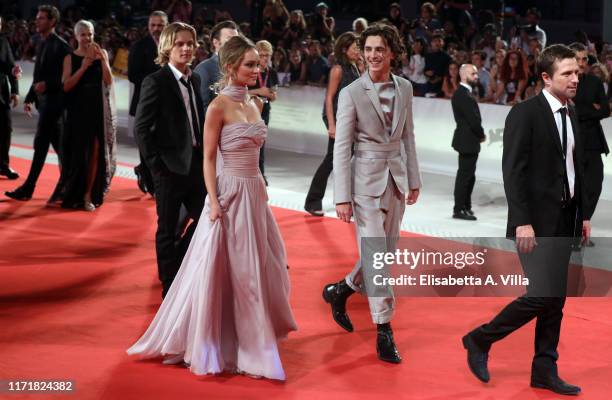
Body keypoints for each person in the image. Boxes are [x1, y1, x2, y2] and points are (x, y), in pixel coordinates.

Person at [128, 35, 297, 381]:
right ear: (231, 66)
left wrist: (261, 186)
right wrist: (214, 201)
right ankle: (232, 344)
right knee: (231, 269)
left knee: (263, 266)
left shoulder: (255, 104)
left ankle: (252, 339)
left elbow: (255, 154)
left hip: (255, 195)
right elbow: (207, 159)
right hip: (229, 194)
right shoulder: (218, 106)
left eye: (257, 63)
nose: (256, 69)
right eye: (249, 64)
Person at [462, 44, 589, 396]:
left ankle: (544, 369)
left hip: (565, 219)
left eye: (577, 71)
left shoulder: (572, 111)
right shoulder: (525, 114)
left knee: (556, 299)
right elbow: (512, 172)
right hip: (534, 223)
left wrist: (583, 214)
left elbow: (574, 169)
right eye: (567, 73)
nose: (575, 78)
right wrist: (522, 221)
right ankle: (479, 338)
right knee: (542, 295)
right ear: (546, 77)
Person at [322, 24, 421, 364]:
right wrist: (341, 196)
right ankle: (384, 330)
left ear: (392, 52)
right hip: (364, 184)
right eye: (368, 49)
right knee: (377, 257)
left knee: (383, 256)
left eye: (380, 49)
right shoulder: (351, 92)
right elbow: (342, 146)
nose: (373, 55)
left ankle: (343, 289)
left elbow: (408, 137)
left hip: (396, 180)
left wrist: (414, 179)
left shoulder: (406, 88)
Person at [134, 22, 206, 298]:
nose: (186, 48)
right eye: (180, 44)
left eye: (190, 43)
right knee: (166, 230)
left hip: (196, 166)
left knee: (207, 223)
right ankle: (169, 286)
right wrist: (156, 165)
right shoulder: (156, 81)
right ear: (167, 47)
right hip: (168, 169)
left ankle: (177, 264)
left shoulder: (195, 79)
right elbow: (142, 128)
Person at [5, 5, 71, 201]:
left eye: (42, 18)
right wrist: (30, 97)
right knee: (60, 148)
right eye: (37, 17)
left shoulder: (62, 46)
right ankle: (69, 184)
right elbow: (38, 75)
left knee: (41, 144)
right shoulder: (41, 42)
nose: (37, 21)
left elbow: (66, 78)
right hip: (45, 104)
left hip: (55, 105)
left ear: (52, 21)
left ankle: (29, 188)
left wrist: (47, 85)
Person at [52, 20, 115, 211]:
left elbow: (109, 81)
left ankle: (88, 195)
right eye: (83, 35)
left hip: (96, 111)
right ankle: (73, 193)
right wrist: (84, 66)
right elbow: (66, 86)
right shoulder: (70, 58)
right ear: (76, 36)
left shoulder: (101, 54)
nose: (87, 38)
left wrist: (102, 60)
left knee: (95, 154)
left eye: (90, 34)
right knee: (78, 155)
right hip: (76, 112)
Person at [304, 32, 360, 216]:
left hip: (349, 119)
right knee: (332, 159)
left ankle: (344, 201)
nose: (358, 50)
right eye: (355, 47)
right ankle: (313, 201)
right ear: (345, 49)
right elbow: (329, 98)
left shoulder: (355, 68)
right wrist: (331, 125)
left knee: (343, 159)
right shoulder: (338, 69)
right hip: (337, 118)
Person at [570, 42, 609, 242]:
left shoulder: (594, 82)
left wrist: (582, 110)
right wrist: (590, 109)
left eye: (585, 59)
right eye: (578, 58)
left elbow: (606, 110)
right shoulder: (565, 82)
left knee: (595, 186)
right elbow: (570, 111)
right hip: (572, 144)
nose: (582, 62)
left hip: (593, 142)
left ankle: (581, 225)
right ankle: (574, 232)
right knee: (574, 189)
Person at [129, 11, 168, 196]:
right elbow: (133, 75)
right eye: (153, 25)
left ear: (166, 26)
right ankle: (150, 181)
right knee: (146, 143)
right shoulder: (139, 46)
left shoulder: (173, 47)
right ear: (148, 26)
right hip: (145, 103)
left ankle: (152, 177)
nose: (156, 29)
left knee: (161, 144)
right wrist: (156, 82)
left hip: (166, 106)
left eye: (160, 25)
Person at [451, 64, 485, 220]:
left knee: (469, 176)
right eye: (473, 73)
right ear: (464, 75)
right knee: (465, 176)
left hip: (468, 140)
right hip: (467, 140)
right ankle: (459, 209)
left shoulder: (465, 93)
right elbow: (473, 120)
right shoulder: (462, 94)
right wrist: (481, 134)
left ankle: (465, 205)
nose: (476, 76)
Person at [193, 20, 239, 117]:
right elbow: (201, 109)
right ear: (216, 42)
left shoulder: (239, 68)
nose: (235, 44)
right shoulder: (204, 69)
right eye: (230, 39)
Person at [247, 40, 278, 184]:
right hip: (249, 111)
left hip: (265, 111)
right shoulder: (250, 71)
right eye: (263, 55)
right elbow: (242, 91)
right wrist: (259, 91)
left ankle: (261, 174)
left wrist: (270, 95)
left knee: (261, 143)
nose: (265, 58)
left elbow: (274, 94)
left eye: (268, 55)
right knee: (249, 143)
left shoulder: (272, 72)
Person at [0, 15, 20, 180]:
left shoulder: (3, 42)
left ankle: (3, 165)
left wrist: (15, 90)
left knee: (6, 129)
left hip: (1, 95)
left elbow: (12, 68)